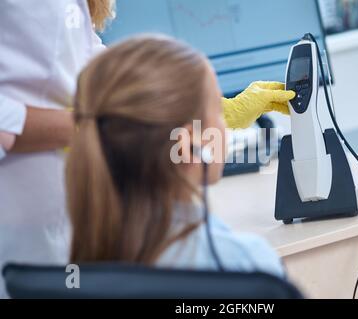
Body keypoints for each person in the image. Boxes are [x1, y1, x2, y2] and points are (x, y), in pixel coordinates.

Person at [0, 0, 292, 297]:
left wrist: (213, 111)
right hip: (26, 232)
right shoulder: (246, 262)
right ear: (190, 142)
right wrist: (88, 125)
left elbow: (110, 81)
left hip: (70, 250)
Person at [67, 35, 285, 277]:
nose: (224, 125)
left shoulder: (74, 267)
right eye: (218, 110)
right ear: (187, 145)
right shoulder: (247, 262)